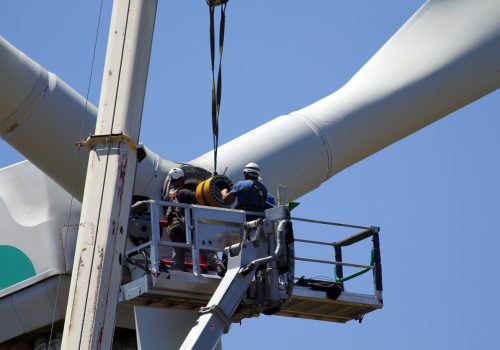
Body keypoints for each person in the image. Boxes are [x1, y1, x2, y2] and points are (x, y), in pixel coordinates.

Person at [163, 167, 196, 271]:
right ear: (182, 179)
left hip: (172, 228)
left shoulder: (169, 196)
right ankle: (217, 265)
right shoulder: (185, 192)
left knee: (177, 250)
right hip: (183, 226)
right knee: (202, 244)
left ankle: (177, 269)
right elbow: (195, 205)